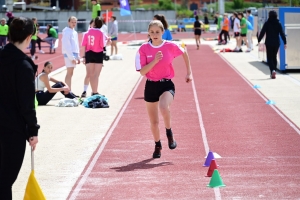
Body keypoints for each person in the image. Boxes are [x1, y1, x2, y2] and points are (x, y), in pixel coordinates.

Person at [135, 20, 192, 159]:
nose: (155, 34)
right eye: (152, 32)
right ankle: (157, 145)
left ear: (163, 32)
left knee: (163, 106)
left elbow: (184, 51)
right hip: (150, 86)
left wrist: (189, 72)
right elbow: (142, 72)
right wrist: (154, 61)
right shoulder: (143, 49)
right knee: (154, 122)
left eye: (157, 32)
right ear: (148, 32)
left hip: (166, 84)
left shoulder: (170, 46)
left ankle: (169, 133)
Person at [0, 17, 40, 199]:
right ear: (29, 37)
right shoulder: (23, 66)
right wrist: (33, 130)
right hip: (11, 130)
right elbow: (27, 104)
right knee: (5, 180)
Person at [81, 17, 110, 96]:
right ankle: (95, 91)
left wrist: (83, 56)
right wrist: (108, 41)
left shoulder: (87, 32)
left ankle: (93, 91)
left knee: (91, 74)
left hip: (89, 53)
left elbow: (83, 45)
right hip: (98, 53)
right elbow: (102, 45)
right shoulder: (101, 32)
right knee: (96, 75)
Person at [258, 10, 287, 79]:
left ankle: (272, 70)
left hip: (269, 42)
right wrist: (285, 42)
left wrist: (259, 40)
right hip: (276, 42)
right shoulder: (278, 23)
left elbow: (262, 32)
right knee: (274, 57)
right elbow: (282, 33)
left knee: (270, 57)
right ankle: (274, 71)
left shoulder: (267, 23)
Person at [62, 16, 80, 93]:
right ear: (68, 22)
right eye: (72, 22)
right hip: (69, 54)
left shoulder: (74, 32)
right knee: (69, 72)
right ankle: (68, 90)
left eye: (75, 22)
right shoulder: (66, 32)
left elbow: (76, 44)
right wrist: (72, 57)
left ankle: (68, 89)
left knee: (71, 72)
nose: (74, 23)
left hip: (74, 54)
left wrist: (78, 56)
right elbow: (67, 46)